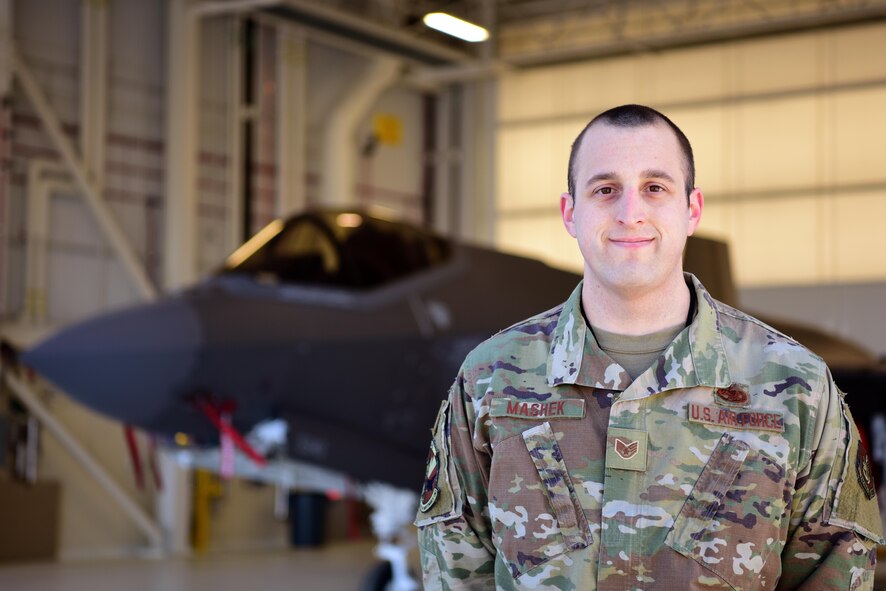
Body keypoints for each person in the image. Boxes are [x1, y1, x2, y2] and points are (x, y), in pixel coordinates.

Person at [414, 104, 883, 590]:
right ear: (570, 213)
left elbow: (833, 569)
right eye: (605, 189)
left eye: (655, 187)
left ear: (692, 209)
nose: (630, 212)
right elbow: (455, 568)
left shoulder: (796, 386)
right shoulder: (490, 377)